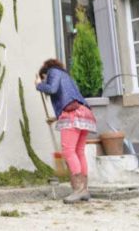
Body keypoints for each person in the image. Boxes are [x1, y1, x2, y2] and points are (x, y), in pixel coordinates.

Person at [35, 58, 97, 204]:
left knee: (68, 151)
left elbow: (52, 89)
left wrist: (39, 84)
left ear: (45, 72)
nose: (46, 80)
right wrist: (55, 118)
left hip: (73, 115)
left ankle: (78, 189)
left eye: (45, 78)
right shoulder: (66, 76)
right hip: (84, 113)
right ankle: (84, 190)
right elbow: (70, 100)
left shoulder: (53, 72)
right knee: (79, 151)